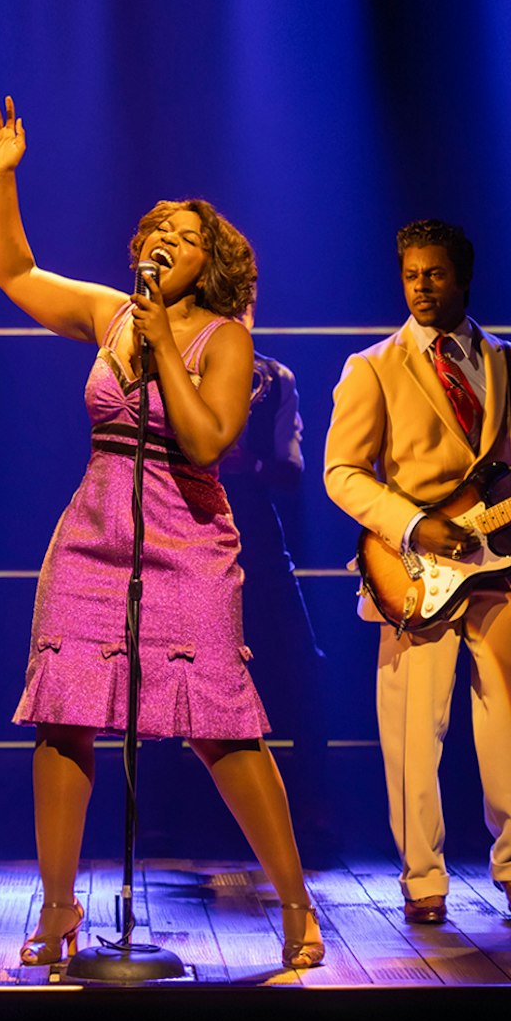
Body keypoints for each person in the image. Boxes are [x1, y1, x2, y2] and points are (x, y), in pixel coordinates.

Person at [0, 95, 322, 969]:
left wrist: (165, 341)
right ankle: (59, 908)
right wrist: (5, 178)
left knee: (221, 724)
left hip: (188, 539)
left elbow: (206, 441)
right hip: (91, 537)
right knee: (63, 714)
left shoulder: (224, 339)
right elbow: (18, 274)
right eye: (157, 229)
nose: (165, 239)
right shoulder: (109, 314)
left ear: (211, 263)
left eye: (185, 235)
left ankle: (294, 901)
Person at [323, 220, 511, 922]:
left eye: (434, 274)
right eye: (410, 275)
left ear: (463, 276)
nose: (421, 287)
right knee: (413, 729)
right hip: (413, 566)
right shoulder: (373, 366)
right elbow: (342, 471)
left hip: (506, 557)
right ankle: (422, 880)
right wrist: (411, 523)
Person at [216, 324, 331, 853]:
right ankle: (161, 821)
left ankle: (315, 812)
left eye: (245, 301)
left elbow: (292, 469)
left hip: (258, 534)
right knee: (175, 662)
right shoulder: (180, 365)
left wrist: (252, 463)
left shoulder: (275, 378)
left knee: (304, 664)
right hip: (192, 529)